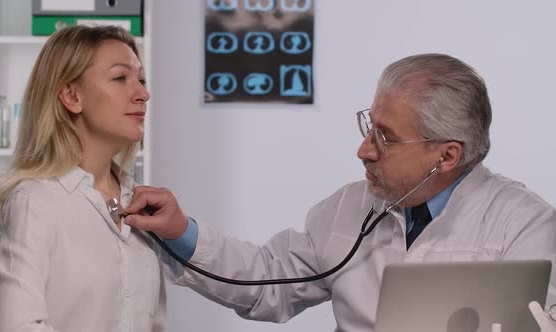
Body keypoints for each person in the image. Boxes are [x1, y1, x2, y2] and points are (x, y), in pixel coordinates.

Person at [124, 53, 556, 332]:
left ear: (445, 156)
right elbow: (267, 280)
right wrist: (181, 231)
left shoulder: (525, 226)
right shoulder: (352, 206)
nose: (364, 150)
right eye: (370, 127)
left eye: (386, 137)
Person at [0, 25, 167, 331]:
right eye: (120, 78)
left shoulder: (140, 203)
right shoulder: (35, 202)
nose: (143, 93)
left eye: (141, 79)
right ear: (72, 96)